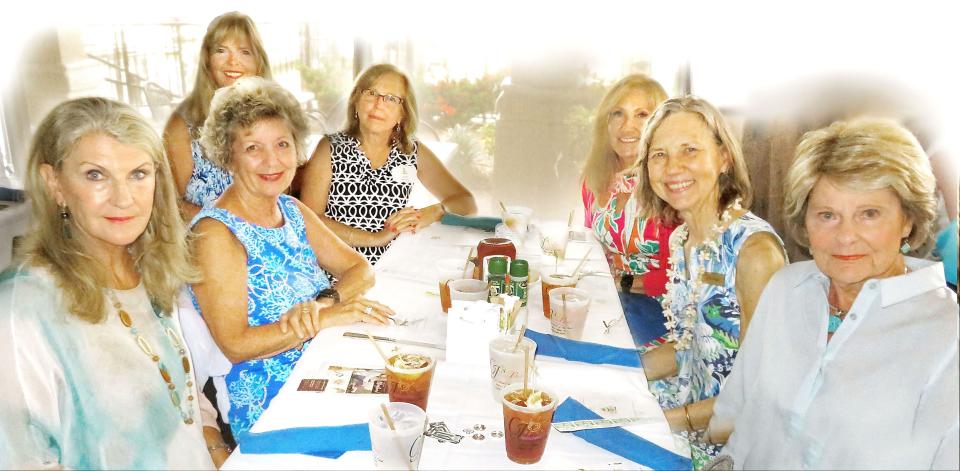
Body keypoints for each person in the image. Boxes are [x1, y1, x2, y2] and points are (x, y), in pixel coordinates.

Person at [707, 118, 959, 469]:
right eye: (827, 215)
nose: (845, 236)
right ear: (805, 222)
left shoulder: (948, 338)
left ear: (908, 220)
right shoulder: (786, 288)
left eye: (869, 214)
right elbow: (736, 419)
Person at [0, 97, 220, 468]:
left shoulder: (150, 269)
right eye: (95, 175)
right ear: (54, 184)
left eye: (138, 173)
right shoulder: (21, 308)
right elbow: (21, 456)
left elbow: (182, 394)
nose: (123, 198)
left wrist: (217, 451)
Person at [189, 76, 394, 437]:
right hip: (277, 402)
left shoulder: (290, 208)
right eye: (253, 148)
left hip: (326, 364)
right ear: (228, 154)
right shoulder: (215, 234)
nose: (273, 161)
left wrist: (326, 302)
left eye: (282, 144)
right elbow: (235, 346)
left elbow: (359, 268)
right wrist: (321, 320)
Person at [630, 96, 787, 468]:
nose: (673, 167)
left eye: (690, 150)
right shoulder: (682, 238)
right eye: (659, 154)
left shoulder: (755, 252)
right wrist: (619, 365)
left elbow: (759, 394)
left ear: (723, 158)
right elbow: (688, 348)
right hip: (682, 405)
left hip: (727, 443)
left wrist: (657, 423)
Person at [299, 63, 477, 264]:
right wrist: (376, 239)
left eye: (391, 98)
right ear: (356, 101)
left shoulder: (412, 152)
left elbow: (466, 202)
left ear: (403, 113)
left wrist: (435, 211)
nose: (379, 104)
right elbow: (309, 221)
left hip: (392, 264)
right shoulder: (329, 148)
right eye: (371, 93)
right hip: (337, 267)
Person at [580, 74, 674, 347]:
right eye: (617, 114)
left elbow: (678, 275)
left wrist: (623, 282)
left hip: (660, 310)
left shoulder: (671, 185)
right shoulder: (595, 178)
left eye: (641, 114)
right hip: (608, 298)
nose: (627, 126)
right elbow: (590, 244)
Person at [163, 11, 271, 221]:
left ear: (258, 62)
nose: (233, 61)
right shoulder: (181, 125)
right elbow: (171, 204)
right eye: (222, 50)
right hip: (206, 242)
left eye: (245, 52)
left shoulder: (275, 119)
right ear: (207, 60)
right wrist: (231, 225)